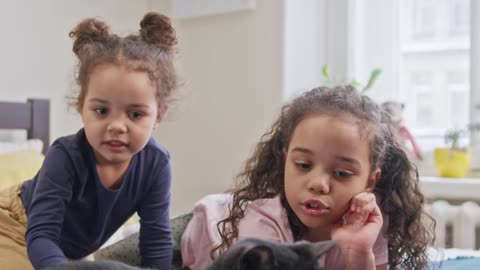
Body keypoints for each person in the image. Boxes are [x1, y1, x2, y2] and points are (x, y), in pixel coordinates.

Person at [181, 85, 435, 270]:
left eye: (342, 173)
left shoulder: (369, 220)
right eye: (303, 165)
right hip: (209, 227)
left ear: (370, 180)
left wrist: (358, 252)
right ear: (284, 161)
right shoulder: (261, 225)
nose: (318, 184)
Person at [0, 12, 179, 270]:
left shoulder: (156, 164)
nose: (117, 126)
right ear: (81, 106)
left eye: (135, 114)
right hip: (18, 226)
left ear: (158, 115)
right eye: (101, 111)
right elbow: (42, 235)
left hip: (71, 250)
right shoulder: (65, 155)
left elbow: (156, 240)